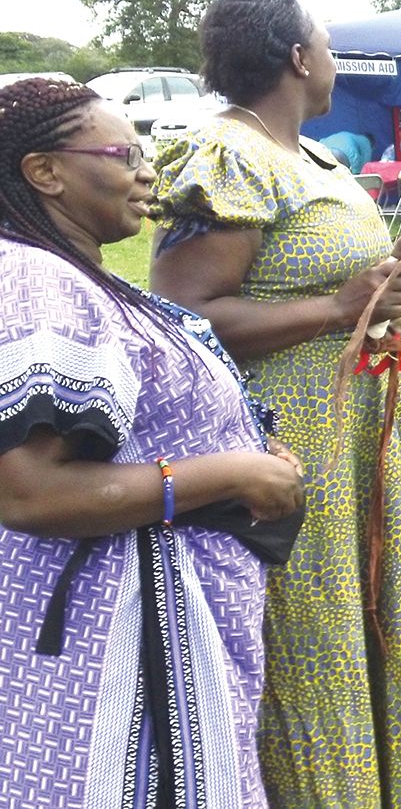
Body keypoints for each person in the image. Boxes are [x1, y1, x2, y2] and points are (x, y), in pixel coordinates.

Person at [147, 0, 401, 806]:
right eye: (322, 36)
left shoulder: (315, 157)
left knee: (359, 620)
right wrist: (338, 309)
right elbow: (181, 318)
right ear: (297, 57)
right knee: (309, 642)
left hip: (353, 436)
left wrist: (385, 306)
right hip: (286, 446)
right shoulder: (230, 155)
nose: (330, 52)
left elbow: (334, 289)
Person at [0, 77, 305, 806]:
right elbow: (31, 492)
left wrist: (253, 455)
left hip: (160, 618)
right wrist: (230, 471)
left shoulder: (74, 273)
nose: (147, 174)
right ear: (45, 172)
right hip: (115, 643)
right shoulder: (39, 279)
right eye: (122, 154)